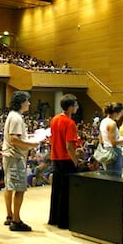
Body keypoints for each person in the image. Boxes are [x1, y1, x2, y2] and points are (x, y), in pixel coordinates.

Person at [2, 91, 40, 232]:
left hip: (9, 156)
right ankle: (16, 221)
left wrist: (28, 136)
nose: (29, 104)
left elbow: (17, 136)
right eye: (27, 101)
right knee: (19, 188)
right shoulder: (17, 118)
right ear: (21, 103)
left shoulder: (12, 116)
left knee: (9, 186)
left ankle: (9, 215)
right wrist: (32, 144)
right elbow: (14, 139)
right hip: (15, 157)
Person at [48, 93, 79, 229]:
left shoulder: (54, 119)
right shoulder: (70, 123)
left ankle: (53, 219)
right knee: (66, 192)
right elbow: (69, 147)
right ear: (71, 107)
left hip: (56, 158)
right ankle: (63, 222)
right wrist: (76, 161)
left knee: (56, 190)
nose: (77, 108)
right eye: (76, 105)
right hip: (66, 160)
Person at [99, 102, 123, 172]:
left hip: (106, 149)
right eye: (121, 113)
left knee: (109, 174)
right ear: (115, 113)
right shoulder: (112, 123)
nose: (121, 115)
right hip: (114, 152)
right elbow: (114, 143)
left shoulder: (103, 121)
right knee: (116, 175)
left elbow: (102, 139)